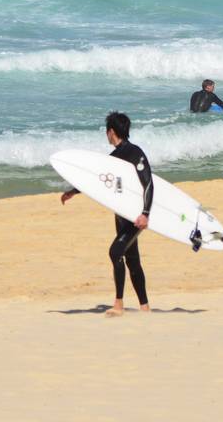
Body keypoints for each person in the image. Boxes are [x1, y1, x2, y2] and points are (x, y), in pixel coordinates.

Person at [60, 111, 151, 317]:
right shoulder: (114, 157)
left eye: (107, 132)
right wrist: (73, 192)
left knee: (115, 252)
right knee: (132, 260)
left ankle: (118, 303)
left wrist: (145, 213)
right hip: (121, 215)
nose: (106, 135)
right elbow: (97, 181)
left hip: (134, 217)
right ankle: (145, 307)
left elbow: (149, 184)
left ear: (111, 132)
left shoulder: (135, 152)